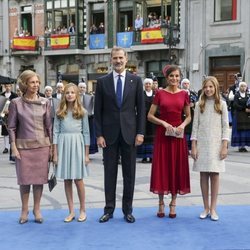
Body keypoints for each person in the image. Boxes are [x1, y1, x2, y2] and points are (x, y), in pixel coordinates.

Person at [94, 46, 145, 223]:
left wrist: (140, 132)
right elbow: (97, 111)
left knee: (129, 174)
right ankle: (109, 209)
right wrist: (99, 135)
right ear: (111, 59)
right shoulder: (102, 82)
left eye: (121, 58)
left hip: (130, 134)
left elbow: (141, 109)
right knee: (110, 173)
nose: (118, 61)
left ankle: (127, 210)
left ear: (126, 59)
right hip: (108, 136)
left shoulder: (136, 81)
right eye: (115, 58)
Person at [8, 70, 52, 224]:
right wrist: (13, 147)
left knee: (39, 180)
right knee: (25, 180)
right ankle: (24, 210)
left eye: (38, 82)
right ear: (25, 84)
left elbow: (49, 127)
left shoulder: (46, 102)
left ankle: (37, 209)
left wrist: (52, 147)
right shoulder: (16, 103)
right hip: (23, 148)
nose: (36, 85)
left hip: (42, 147)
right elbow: (11, 127)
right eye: (32, 82)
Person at [148, 65, 191, 219]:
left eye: (177, 76)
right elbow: (150, 115)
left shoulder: (184, 94)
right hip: (163, 135)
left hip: (178, 136)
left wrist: (182, 125)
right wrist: (163, 123)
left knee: (176, 167)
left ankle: (173, 202)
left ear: (180, 77)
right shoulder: (160, 94)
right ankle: (160, 202)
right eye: (171, 76)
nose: (174, 79)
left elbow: (189, 116)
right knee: (162, 167)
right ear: (167, 78)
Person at [191, 76, 230, 221]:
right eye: (206, 87)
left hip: (216, 144)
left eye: (211, 87)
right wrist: (193, 146)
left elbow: (226, 126)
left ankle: (213, 208)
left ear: (215, 88)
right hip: (202, 143)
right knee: (203, 175)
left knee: (215, 175)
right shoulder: (199, 104)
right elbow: (194, 127)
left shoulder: (222, 104)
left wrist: (224, 145)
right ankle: (205, 207)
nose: (208, 89)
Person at [53, 83, 90, 223]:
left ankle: (82, 209)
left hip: (77, 145)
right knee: (67, 180)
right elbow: (55, 132)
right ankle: (71, 211)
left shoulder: (83, 112)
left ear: (76, 95)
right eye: (67, 92)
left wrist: (86, 154)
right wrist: (55, 153)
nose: (69, 95)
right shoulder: (59, 112)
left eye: (72, 92)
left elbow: (86, 133)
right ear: (64, 95)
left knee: (78, 179)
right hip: (63, 145)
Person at [137, 78, 155, 163]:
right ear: (144, 85)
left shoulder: (155, 94)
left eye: (149, 84)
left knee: (152, 138)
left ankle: (151, 156)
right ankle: (144, 157)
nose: (148, 85)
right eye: (146, 84)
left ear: (152, 85)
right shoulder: (141, 94)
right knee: (143, 136)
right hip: (143, 118)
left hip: (152, 119)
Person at [78, 81, 98, 155]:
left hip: (88, 118)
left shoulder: (90, 97)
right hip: (77, 118)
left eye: (84, 87)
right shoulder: (75, 96)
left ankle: (88, 151)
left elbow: (93, 107)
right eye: (81, 87)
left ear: (86, 89)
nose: (82, 89)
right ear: (78, 88)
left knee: (88, 135)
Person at [231, 81, 250, 152]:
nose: (243, 88)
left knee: (245, 130)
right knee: (239, 131)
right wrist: (244, 108)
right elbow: (235, 105)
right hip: (238, 115)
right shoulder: (236, 95)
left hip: (246, 116)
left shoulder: (248, 95)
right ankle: (240, 146)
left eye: (244, 86)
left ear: (246, 87)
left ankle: (244, 146)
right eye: (241, 86)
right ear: (239, 87)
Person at [181, 78, 198, 150]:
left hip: (191, 113)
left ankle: (191, 146)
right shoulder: (179, 92)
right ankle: (184, 147)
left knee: (191, 129)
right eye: (184, 83)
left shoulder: (193, 93)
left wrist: (193, 104)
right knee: (185, 130)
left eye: (187, 83)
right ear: (182, 84)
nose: (186, 85)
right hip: (182, 114)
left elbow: (197, 101)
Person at [1, 83, 18, 157]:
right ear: (4, 87)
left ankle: (11, 145)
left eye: (9, 86)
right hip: (3, 115)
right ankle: (6, 147)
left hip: (12, 114)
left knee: (12, 129)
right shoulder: (2, 95)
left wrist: (10, 111)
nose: (8, 87)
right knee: (5, 130)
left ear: (11, 87)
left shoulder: (14, 95)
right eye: (6, 86)